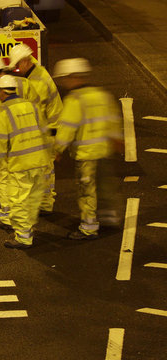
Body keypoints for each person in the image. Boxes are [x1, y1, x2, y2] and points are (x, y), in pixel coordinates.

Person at [52, 58, 123, 240]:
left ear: (73, 77)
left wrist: (57, 150)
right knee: (105, 186)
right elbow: (113, 120)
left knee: (87, 192)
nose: (65, 83)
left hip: (87, 156)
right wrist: (117, 141)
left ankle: (88, 228)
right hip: (105, 152)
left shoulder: (75, 100)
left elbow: (67, 128)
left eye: (65, 79)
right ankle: (109, 219)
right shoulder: (101, 94)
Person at [0, 75, 52, 249]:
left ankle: (23, 237)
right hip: (40, 160)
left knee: (18, 200)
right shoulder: (33, 106)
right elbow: (45, 131)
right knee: (33, 198)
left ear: (1, 92)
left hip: (21, 163)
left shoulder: (1, 112)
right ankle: (28, 227)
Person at [7, 43, 63, 213]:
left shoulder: (37, 82)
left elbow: (32, 112)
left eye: (17, 65)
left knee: (44, 169)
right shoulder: (36, 74)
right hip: (50, 129)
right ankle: (45, 203)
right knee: (45, 170)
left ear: (25, 61)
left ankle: (45, 204)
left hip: (49, 131)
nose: (17, 69)